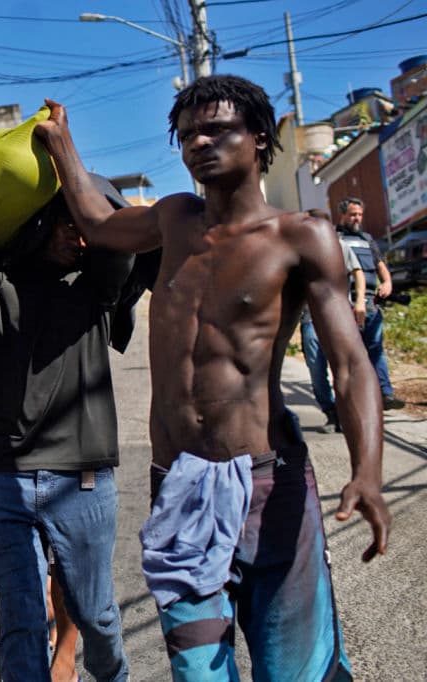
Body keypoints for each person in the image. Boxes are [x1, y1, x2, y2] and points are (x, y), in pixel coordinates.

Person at [35, 75, 390, 681]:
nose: (199, 142)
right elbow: (96, 223)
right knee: (199, 672)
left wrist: (367, 473)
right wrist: (62, 143)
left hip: (267, 485)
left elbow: (351, 362)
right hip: (179, 483)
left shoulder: (301, 236)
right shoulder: (174, 218)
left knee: (295, 670)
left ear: (258, 138)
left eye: (217, 129)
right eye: (187, 134)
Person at [0, 191, 133, 681]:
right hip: (7, 480)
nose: (79, 237)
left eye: (83, 227)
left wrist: (79, 197)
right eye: (67, 226)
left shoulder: (93, 282)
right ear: (40, 227)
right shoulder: (1, 283)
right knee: (22, 621)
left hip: (83, 479)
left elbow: (120, 247)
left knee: (95, 614)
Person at [300, 209, 367, 433]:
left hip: (340, 317)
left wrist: (359, 302)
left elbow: (358, 273)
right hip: (310, 318)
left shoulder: (340, 246)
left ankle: (349, 413)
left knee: (345, 365)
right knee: (315, 367)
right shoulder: (299, 250)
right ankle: (330, 412)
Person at [335, 197, 405, 410]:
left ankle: (385, 394)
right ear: (343, 215)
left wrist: (388, 282)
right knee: (351, 352)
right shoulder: (333, 237)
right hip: (347, 303)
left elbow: (380, 265)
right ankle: (357, 399)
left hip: (371, 302)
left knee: (375, 348)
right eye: (353, 214)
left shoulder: (367, 238)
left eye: (360, 214)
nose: (357, 218)